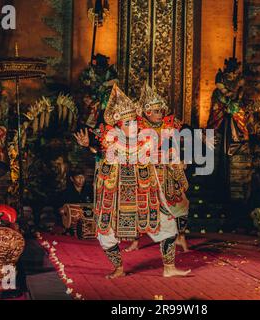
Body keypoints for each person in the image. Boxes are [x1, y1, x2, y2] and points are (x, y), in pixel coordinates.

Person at [74, 84, 191, 279]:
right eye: (128, 124)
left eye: (134, 122)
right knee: (106, 234)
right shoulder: (108, 140)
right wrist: (88, 146)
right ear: (119, 125)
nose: (134, 126)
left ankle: (169, 267)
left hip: (144, 195)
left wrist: (174, 161)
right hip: (116, 199)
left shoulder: (145, 140)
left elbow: (160, 156)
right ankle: (119, 268)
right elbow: (97, 148)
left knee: (169, 226)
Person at [135, 83, 191, 252]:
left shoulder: (169, 125)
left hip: (168, 172)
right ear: (146, 112)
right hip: (147, 173)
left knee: (182, 204)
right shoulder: (138, 128)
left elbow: (183, 139)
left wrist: (182, 159)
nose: (160, 114)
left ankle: (180, 236)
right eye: (156, 111)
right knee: (141, 205)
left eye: (161, 111)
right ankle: (136, 240)